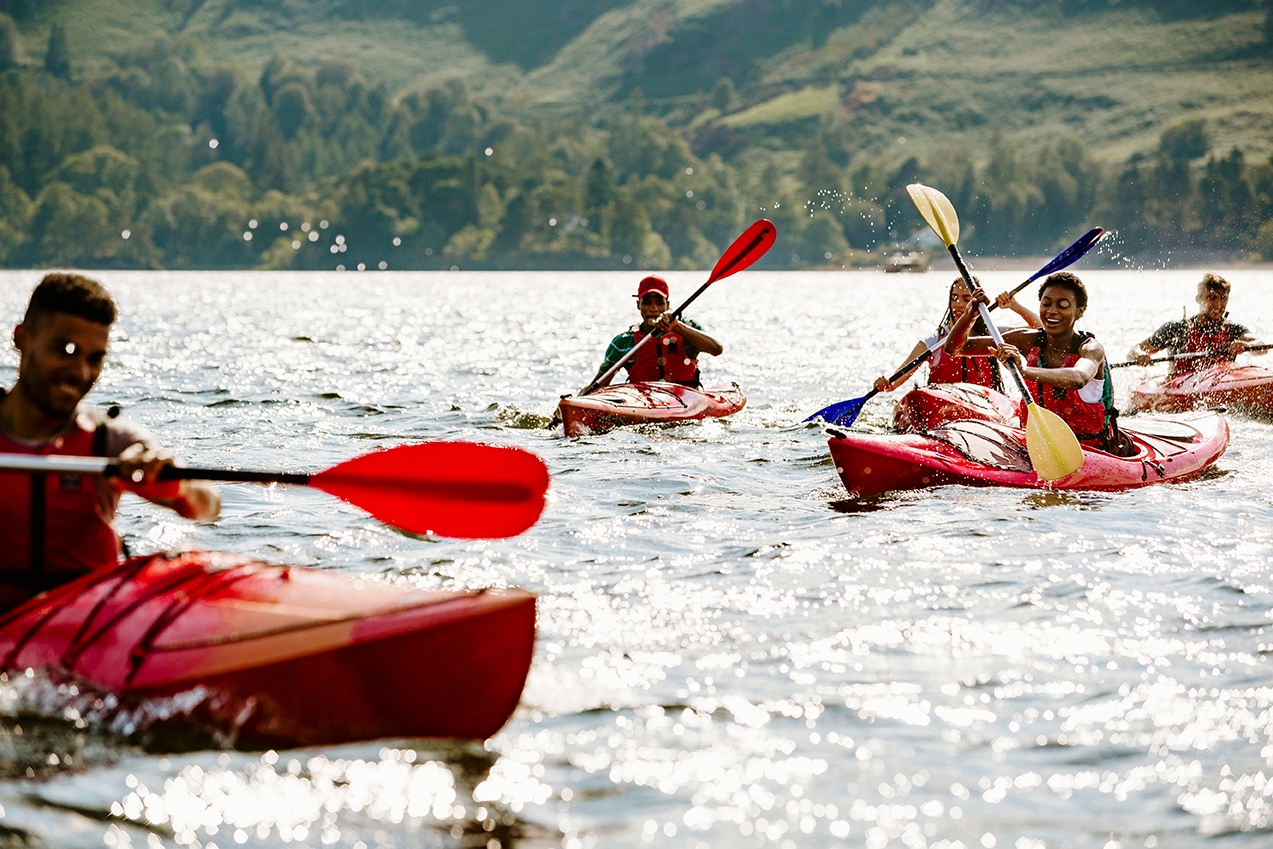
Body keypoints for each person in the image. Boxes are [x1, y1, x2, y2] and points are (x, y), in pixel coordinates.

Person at [0, 273, 220, 611]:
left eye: (95, 358)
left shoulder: (111, 442)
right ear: (22, 339)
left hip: (85, 627)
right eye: (67, 350)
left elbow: (208, 504)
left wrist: (171, 482)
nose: (81, 372)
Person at [945, 271, 1133, 455]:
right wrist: (970, 315)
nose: (1052, 311)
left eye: (1063, 305)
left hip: (1091, 451)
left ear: (1079, 311)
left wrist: (1023, 371)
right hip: (1035, 449)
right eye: (1046, 304)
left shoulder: (1091, 349)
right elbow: (956, 348)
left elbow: (1078, 377)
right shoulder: (1027, 340)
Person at [872, 278, 1041, 393]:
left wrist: (1015, 306)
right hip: (942, 406)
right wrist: (885, 383)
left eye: (966, 299)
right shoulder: (932, 342)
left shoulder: (994, 334)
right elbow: (895, 383)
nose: (959, 304)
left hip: (985, 405)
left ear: (978, 305)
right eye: (954, 298)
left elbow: (1040, 331)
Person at [588, 275, 723, 391]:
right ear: (638, 305)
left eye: (659, 303)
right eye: (647, 303)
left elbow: (717, 349)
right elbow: (597, 385)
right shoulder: (623, 342)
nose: (653, 309)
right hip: (642, 403)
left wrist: (678, 327)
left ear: (667, 305)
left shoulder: (687, 327)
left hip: (686, 399)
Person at [1126, 273, 1267, 376]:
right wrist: (1140, 355)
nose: (1218, 304)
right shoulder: (1177, 329)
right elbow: (1136, 349)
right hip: (1180, 387)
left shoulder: (1232, 329)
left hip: (1221, 384)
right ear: (1198, 299)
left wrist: (1247, 346)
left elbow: (1261, 345)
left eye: (1223, 298)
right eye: (1212, 298)